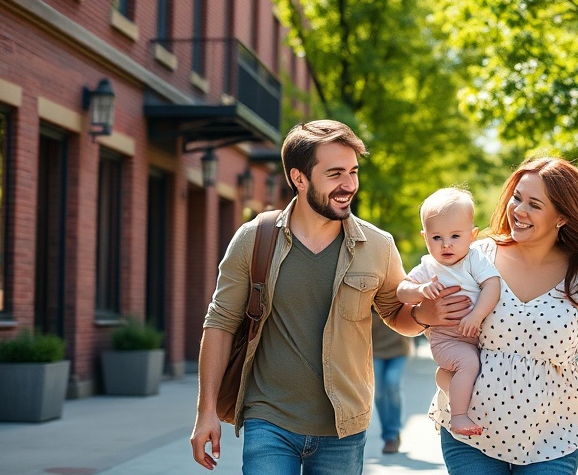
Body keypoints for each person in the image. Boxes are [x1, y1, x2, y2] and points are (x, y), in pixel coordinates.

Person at [190, 120, 470, 474]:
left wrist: (425, 314)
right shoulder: (255, 239)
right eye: (335, 173)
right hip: (269, 419)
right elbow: (219, 323)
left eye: (353, 172)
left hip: (344, 427)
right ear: (299, 178)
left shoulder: (378, 246)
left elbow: (396, 315)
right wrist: (206, 413)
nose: (349, 185)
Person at [429, 157, 578, 475]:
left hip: (552, 436)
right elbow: (431, 313)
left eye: (534, 205)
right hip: (472, 433)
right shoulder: (475, 259)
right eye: (517, 197)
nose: (519, 210)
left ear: (563, 216)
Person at [397, 188, 502, 437]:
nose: (446, 244)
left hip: (475, 335)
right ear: (425, 238)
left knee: (477, 370)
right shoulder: (428, 266)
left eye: (455, 235)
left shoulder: (474, 259)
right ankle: (459, 417)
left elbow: (492, 285)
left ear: (472, 235)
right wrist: (421, 290)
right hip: (448, 340)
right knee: (468, 363)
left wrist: (476, 315)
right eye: (436, 238)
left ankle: (445, 379)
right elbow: (402, 291)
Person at [371, 308, 413, 454]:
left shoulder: (398, 292)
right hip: (375, 352)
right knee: (379, 393)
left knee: (392, 384)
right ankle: (388, 435)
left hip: (398, 351)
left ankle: (393, 433)